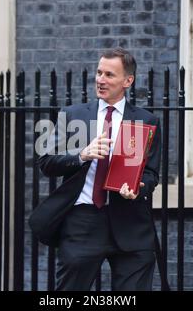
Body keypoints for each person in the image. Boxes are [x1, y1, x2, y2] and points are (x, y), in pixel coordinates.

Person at [37, 47, 162, 291]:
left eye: (109, 75)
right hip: (83, 222)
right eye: (99, 72)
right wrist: (82, 155)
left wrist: (138, 188)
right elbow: (47, 162)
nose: (100, 80)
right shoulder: (73, 115)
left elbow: (151, 174)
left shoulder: (146, 120)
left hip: (131, 223)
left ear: (128, 81)